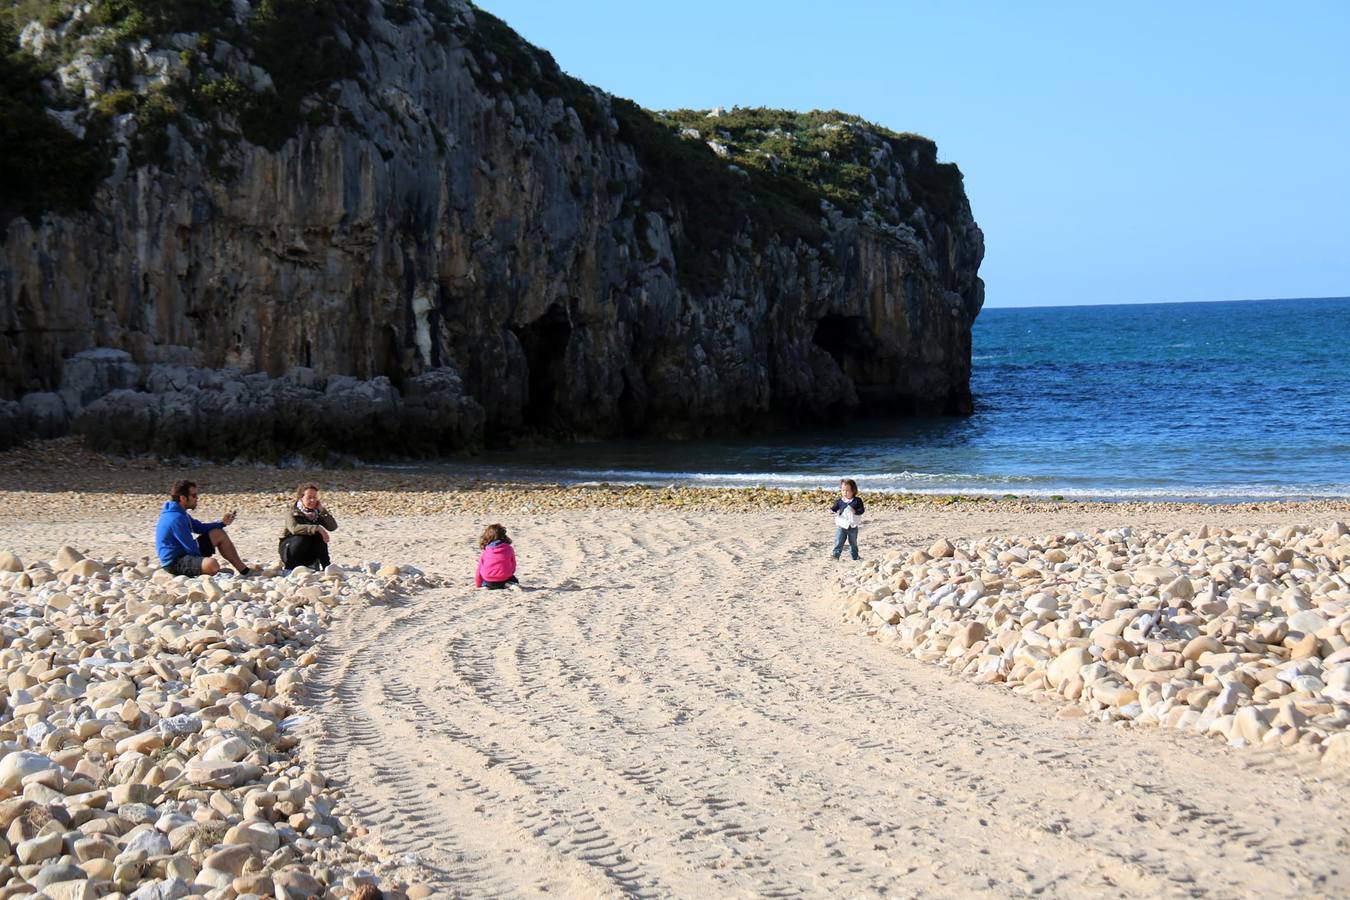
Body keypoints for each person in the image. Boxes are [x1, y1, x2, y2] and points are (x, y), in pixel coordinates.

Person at [156, 479, 250, 577]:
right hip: (174, 562)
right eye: (193, 495)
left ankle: (244, 571)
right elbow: (189, 546)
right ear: (183, 498)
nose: (197, 498)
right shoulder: (176, 518)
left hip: (185, 553)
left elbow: (199, 527)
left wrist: (222, 523)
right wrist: (202, 562)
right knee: (211, 564)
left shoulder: (180, 513)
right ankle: (213, 573)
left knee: (218, 533)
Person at [279, 483, 338, 569]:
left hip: (309, 555)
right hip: (291, 551)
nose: (312, 500)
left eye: (314, 497)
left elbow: (332, 527)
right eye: (309, 497)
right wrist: (317, 528)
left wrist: (322, 511)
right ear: (301, 498)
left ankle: (326, 566)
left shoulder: (316, 513)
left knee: (318, 536)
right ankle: (290, 567)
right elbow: (294, 528)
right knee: (303, 536)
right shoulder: (292, 512)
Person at [830, 478, 865, 561]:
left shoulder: (857, 501)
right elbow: (834, 508)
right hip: (841, 525)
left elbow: (861, 510)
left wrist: (855, 511)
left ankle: (855, 556)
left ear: (853, 491)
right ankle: (835, 555)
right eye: (843, 490)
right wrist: (831, 510)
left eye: (847, 491)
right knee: (838, 541)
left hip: (852, 526)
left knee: (853, 543)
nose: (845, 493)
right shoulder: (840, 501)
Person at [475, 523, 518, 589]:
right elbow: (513, 565)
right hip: (504, 577)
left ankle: (486, 586)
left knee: (485, 581)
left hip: (489, 579)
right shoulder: (509, 548)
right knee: (514, 580)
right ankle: (508, 584)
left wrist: (478, 585)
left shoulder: (486, 550)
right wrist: (508, 573)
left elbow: (479, 569)